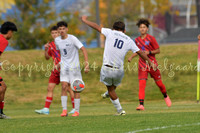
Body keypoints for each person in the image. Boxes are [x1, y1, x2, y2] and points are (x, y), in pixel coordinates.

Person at [81, 16, 156, 115]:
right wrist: (150, 62)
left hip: (107, 68)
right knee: (113, 86)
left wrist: (85, 20)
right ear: (124, 30)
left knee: (111, 89)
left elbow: (96, 26)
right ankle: (109, 94)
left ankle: (120, 110)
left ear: (113, 28)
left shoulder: (110, 32)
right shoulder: (129, 40)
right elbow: (141, 53)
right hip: (119, 71)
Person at [128, 18, 171, 110]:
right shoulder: (137, 40)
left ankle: (165, 95)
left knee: (159, 84)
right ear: (139, 29)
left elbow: (158, 50)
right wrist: (131, 57)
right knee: (142, 84)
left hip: (153, 64)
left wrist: (149, 52)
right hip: (142, 65)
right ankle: (141, 105)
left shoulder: (151, 38)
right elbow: (138, 51)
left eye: (144, 27)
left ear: (147, 29)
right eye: (141, 27)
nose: (142, 29)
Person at [35, 26, 75, 115]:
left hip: (65, 69)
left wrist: (59, 64)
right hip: (55, 70)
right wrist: (46, 49)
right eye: (53, 33)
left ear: (60, 32)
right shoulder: (51, 45)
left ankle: (74, 108)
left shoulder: (64, 43)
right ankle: (46, 109)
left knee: (69, 88)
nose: (54, 34)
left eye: (56, 33)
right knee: (50, 88)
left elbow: (67, 56)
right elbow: (47, 57)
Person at [55, 21, 89, 117]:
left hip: (74, 67)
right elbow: (61, 53)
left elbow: (83, 49)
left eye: (63, 29)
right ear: (58, 30)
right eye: (60, 29)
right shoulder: (57, 40)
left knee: (76, 89)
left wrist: (86, 64)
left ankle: (76, 111)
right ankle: (64, 111)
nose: (61, 31)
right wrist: (58, 63)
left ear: (67, 29)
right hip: (64, 67)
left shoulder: (72, 38)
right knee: (64, 86)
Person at [0, 21, 17, 119]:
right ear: (9, 31)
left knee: (3, 87)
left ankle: (1, 113)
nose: (12, 35)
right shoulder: (3, 40)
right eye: (13, 32)